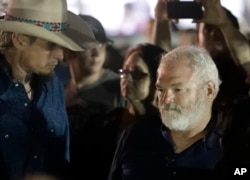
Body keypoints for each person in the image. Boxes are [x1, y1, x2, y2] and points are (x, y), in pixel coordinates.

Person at [0, 0, 96, 179]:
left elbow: (62, 161)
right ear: (20, 39)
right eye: (51, 44)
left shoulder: (53, 88)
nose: (60, 55)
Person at [108, 46, 223, 180]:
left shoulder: (231, 149)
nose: (166, 99)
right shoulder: (137, 133)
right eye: (161, 90)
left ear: (208, 90)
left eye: (178, 89)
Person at [63, 15, 127, 180]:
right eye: (89, 45)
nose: (97, 52)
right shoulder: (58, 91)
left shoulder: (119, 89)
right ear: (69, 50)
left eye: (101, 44)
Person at [153, 0, 249, 110]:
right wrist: (161, 20)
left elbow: (246, 59)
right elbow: (161, 65)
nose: (213, 34)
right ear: (198, 39)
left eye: (219, 29)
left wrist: (224, 24)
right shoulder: (188, 72)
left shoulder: (243, 75)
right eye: (208, 30)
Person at [116, 43, 166, 132]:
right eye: (125, 71)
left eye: (136, 73)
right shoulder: (113, 120)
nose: (127, 78)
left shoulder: (165, 128)